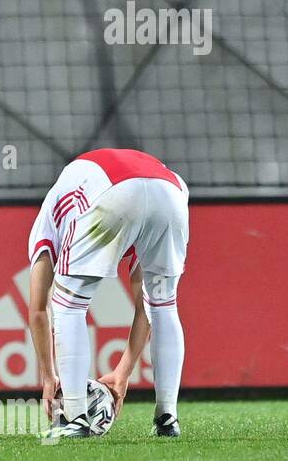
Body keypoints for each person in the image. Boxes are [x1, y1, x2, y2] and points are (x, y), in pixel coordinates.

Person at [27, 148, 189, 438]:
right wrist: (123, 373)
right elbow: (146, 308)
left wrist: (49, 377)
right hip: (172, 192)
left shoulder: (45, 226)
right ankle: (167, 418)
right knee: (163, 304)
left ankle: (75, 417)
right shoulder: (78, 201)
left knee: (69, 306)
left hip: (113, 193)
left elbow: (40, 310)